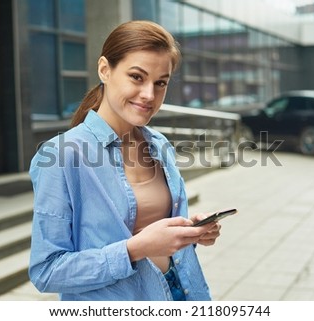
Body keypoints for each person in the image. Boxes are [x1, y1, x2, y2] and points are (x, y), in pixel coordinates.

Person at [28, 20, 222, 301]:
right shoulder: (61, 155)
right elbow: (47, 271)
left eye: (160, 83)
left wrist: (191, 232)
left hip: (185, 294)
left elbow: (159, 230)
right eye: (136, 77)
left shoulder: (159, 145)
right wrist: (135, 249)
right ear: (105, 69)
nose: (149, 95)